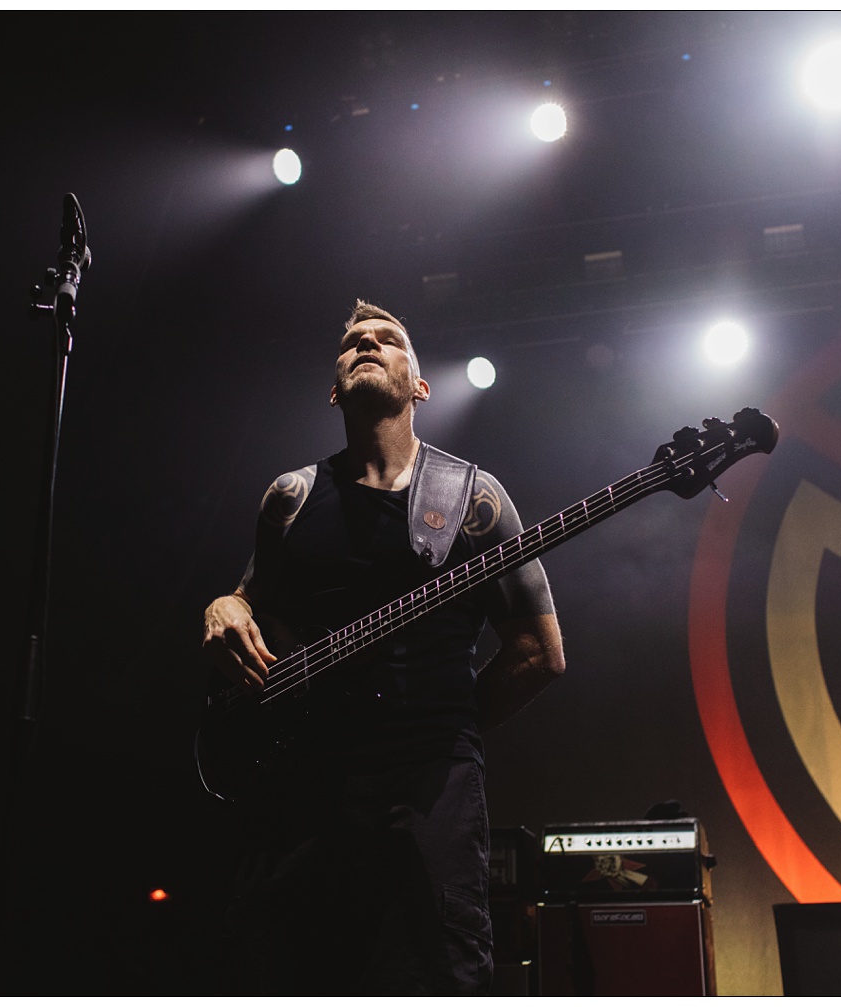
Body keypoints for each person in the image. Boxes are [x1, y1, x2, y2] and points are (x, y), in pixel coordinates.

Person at [201, 300, 565, 994]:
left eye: (388, 339)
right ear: (335, 387)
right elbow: (246, 601)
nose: (367, 343)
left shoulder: (473, 500)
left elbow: (539, 650)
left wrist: (440, 724)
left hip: (429, 793)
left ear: (420, 386)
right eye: (352, 343)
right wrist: (223, 605)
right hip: (302, 794)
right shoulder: (291, 498)